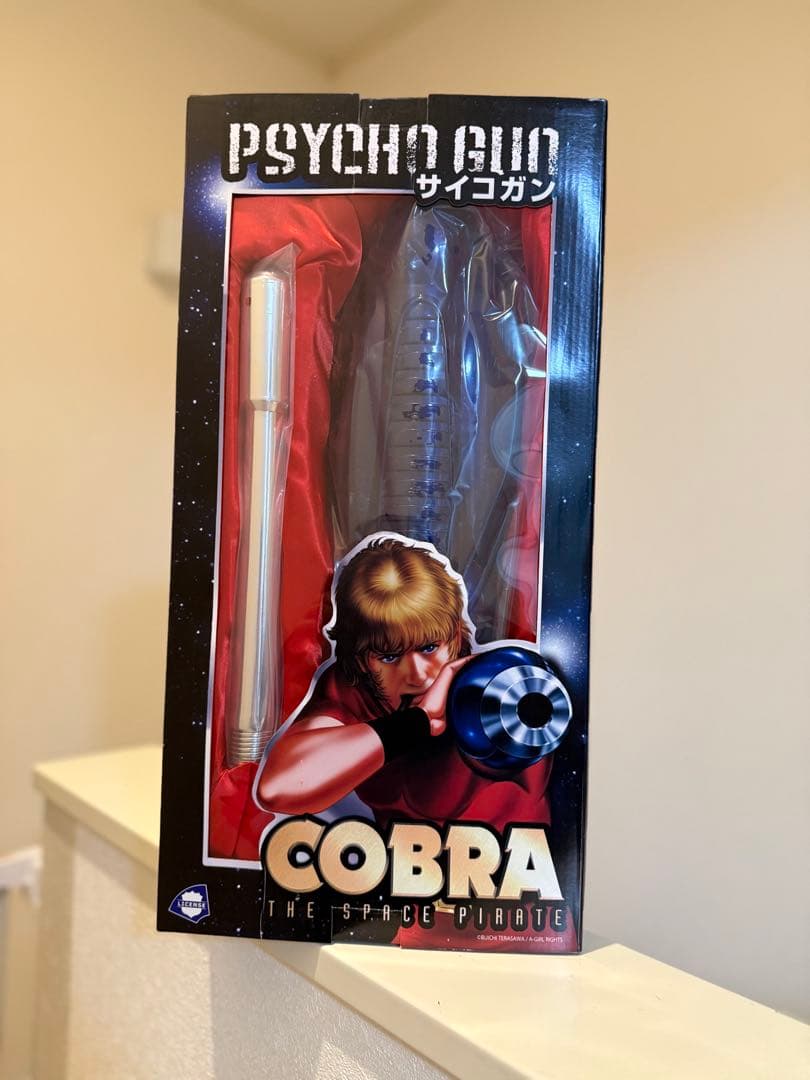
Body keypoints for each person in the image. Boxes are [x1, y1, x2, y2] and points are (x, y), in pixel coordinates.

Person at [257, 536, 554, 832]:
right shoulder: (357, 691)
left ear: (454, 636)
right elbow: (278, 788)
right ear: (361, 660)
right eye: (389, 657)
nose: (418, 675)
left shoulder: (499, 686)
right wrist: (417, 722)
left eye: (429, 648)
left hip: (513, 855)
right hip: (389, 857)